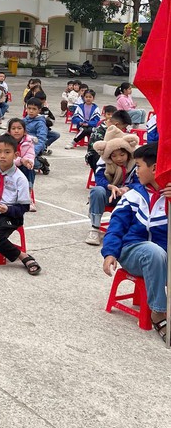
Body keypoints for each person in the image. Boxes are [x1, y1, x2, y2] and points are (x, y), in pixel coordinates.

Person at [102, 144, 171, 343]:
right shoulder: (133, 196)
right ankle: (158, 311)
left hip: (164, 256)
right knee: (153, 252)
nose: (136, 171)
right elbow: (116, 227)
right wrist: (110, 253)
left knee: (158, 253)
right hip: (132, 252)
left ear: (156, 168)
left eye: (139, 166)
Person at [0, 134, 40, 273]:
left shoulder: (19, 178)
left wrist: (8, 210)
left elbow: (24, 207)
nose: (2, 155)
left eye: (7, 152)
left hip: (10, 216)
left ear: (16, 155)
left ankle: (23, 256)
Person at [85, 125, 140, 245]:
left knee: (141, 193)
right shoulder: (104, 163)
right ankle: (95, 228)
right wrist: (110, 186)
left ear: (128, 153)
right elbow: (99, 179)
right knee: (97, 190)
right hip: (110, 194)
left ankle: (131, 230)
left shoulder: (135, 163)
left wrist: (127, 188)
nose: (118, 158)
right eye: (114, 156)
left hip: (128, 196)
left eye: (122, 154)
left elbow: (139, 182)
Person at [7, 117, 36, 209]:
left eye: (19, 128)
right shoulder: (5, 142)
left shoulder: (29, 142)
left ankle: (28, 196)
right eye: (13, 128)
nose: (16, 131)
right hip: (7, 166)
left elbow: (30, 155)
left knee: (29, 168)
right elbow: (7, 159)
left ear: (24, 131)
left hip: (21, 166)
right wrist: (21, 160)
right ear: (9, 131)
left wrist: (28, 162)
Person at [23, 98, 50, 175]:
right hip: (24, 145)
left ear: (39, 110)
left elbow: (41, 139)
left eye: (34, 109)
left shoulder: (40, 124)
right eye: (29, 108)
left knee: (28, 160)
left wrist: (34, 152)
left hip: (35, 147)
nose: (31, 111)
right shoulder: (24, 120)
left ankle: (41, 165)